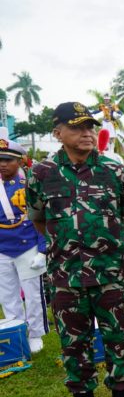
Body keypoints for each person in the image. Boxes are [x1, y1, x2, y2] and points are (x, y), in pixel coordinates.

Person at [26, 102, 124, 397]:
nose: (87, 132)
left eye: (90, 126)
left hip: (110, 275)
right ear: (57, 133)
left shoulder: (114, 170)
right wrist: (67, 248)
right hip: (65, 277)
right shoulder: (42, 173)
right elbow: (38, 219)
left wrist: (109, 244)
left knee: (117, 339)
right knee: (74, 344)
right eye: (76, 127)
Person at [0, 138, 48, 353]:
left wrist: (43, 249)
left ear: (19, 161)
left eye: (7, 160)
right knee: (7, 294)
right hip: (1, 248)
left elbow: (43, 218)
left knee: (33, 293)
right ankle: (16, 329)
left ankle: (36, 333)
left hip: (27, 245)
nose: (2, 164)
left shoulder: (30, 185)